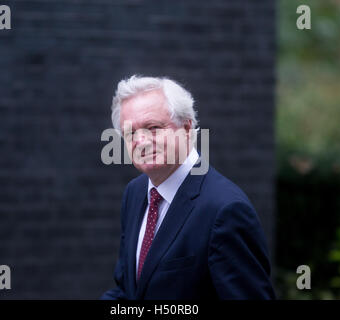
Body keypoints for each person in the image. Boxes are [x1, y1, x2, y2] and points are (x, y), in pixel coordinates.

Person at [101, 75, 276, 300]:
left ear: (186, 127)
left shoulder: (225, 210)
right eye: (131, 133)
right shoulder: (135, 194)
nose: (142, 141)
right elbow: (128, 292)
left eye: (153, 127)